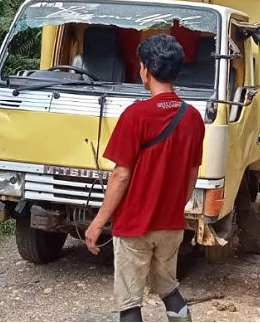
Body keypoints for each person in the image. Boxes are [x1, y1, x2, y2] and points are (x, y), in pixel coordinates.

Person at [84, 35, 205, 323]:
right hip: (171, 224)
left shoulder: (135, 115)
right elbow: (192, 172)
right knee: (168, 287)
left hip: (134, 225)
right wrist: (176, 206)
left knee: (129, 302)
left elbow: (121, 174)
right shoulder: (192, 117)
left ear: (146, 70)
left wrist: (98, 221)